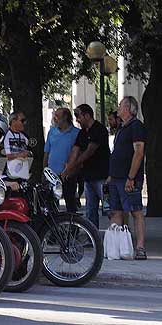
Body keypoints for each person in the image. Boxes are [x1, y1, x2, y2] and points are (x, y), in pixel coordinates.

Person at [108, 96, 147, 260]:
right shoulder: (122, 127)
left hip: (128, 178)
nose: (118, 108)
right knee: (116, 211)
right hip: (116, 178)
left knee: (135, 211)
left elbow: (138, 153)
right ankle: (115, 248)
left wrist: (131, 178)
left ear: (129, 109)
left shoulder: (136, 126)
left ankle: (140, 247)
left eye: (121, 105)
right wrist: (111, 176)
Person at [62, 104, 110, 228]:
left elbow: (89, 151)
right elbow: (75, 150)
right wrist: (68, 169)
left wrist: (72, 166)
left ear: (87, 115)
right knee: (90, 210)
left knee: (109, 208)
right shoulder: (82, 133)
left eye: (78, 116)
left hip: (102, 177)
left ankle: (119, 235)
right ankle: (92, 238)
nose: (77, 120)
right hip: (88, 177)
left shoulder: (99, 129)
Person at [43, 108, 80, 212]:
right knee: (51, 205)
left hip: (68, 174)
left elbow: (79, 155)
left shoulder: (76, 133)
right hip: (51, 175)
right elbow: (47, 152)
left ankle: (73, 227)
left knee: (70, 203)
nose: (55, 118)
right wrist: (44, 171)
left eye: (57, 116)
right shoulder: (52, 132)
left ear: (65, 117)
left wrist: (73, 170)